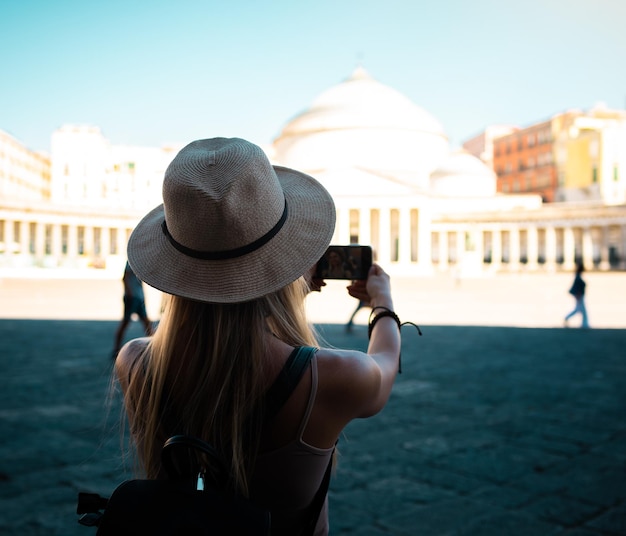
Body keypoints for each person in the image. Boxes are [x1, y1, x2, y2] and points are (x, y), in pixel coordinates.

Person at [114, 138, 402, 535]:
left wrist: (289, 281)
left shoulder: (134, 361)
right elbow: (385, 363)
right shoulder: (335, 375)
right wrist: (382, 303)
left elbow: (229, 319)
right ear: (284, 258)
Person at [112, 261, 153, 359]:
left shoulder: (141, 262)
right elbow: (125, 278)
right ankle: (116, 349)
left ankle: (154, 347)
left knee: (146, 323)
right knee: (126, 322)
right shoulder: (132, 261)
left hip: (138, 297)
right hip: (133, 297)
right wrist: (129, 293)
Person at [564, 262, 589, 328]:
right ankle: (584, 324)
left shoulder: (578, 276)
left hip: (580, 295)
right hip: (579, 295)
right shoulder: (578, 277)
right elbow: (578, 287)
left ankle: (584, 323)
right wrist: (578, 295)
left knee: (580, 310)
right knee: (580, 310)